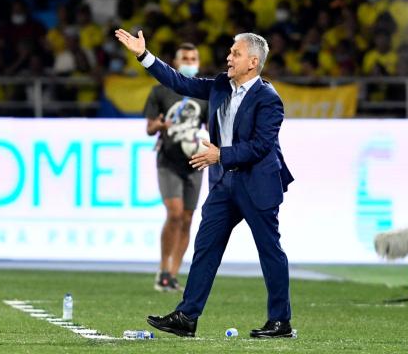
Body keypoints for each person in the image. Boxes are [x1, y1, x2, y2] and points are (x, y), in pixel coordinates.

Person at [115, 28, 294, 338]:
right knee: (205, 247)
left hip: (257, 183)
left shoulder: (269, 99)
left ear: (253, 62)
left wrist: (220, 155)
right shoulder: (223, 85)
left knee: (269, 251)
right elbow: (180, 82)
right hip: (225, 183)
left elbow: (261, 146)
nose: (228, 57)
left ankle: (280, 322)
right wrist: (144, 56)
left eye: (235, 54)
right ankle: (187, 317)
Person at [144, 43, 209, 292]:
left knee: (187, 218)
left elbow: (211, 128)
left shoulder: (204, 94)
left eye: (193, 58)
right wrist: (161, 125)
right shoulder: (161, 91)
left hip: (194, 162)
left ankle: (172, 274)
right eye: (185, 58)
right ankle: (163, 268)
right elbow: (150, 128)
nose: (190, 62)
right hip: (168, 160)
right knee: (174, 212)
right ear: (175, 60)